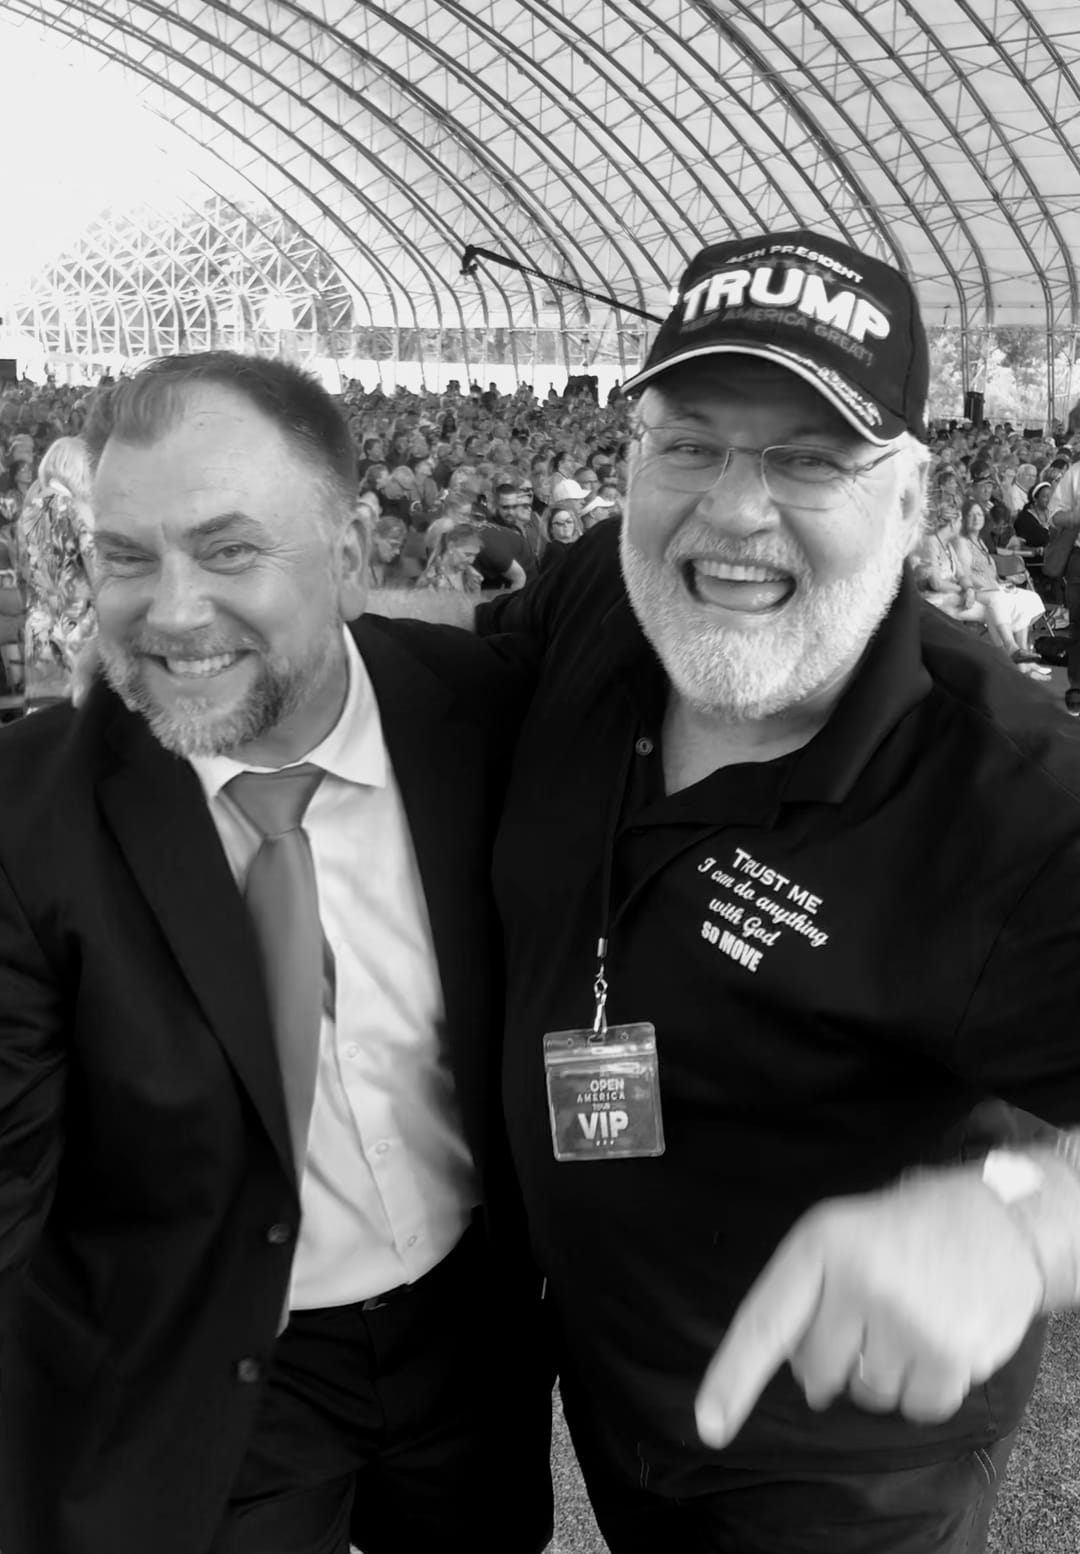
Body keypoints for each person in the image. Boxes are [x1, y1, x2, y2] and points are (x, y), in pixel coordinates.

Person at [380, 228, 1080, 1553]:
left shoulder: (1011, 798)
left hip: (834, 1471)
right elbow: (459, 672)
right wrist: (266, 623)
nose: (734, 510)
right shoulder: (609, 600)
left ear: (911, 502)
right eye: (691, 444)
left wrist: (1019, 1227)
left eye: (808, 459)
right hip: (606, 1384)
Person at [0, 352, 551, 1554]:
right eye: (126, 557)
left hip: (468, 1336)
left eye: (229, 549)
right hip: (205, 1365)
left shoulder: (490, 713)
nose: (172, 612)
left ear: (351, 558)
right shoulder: (27, 820)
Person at [1048, 453, 1080, 715]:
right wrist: (1071, 518)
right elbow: (1053, 514)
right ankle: (1077, 688)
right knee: (1079, 623)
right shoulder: (1076, 473)